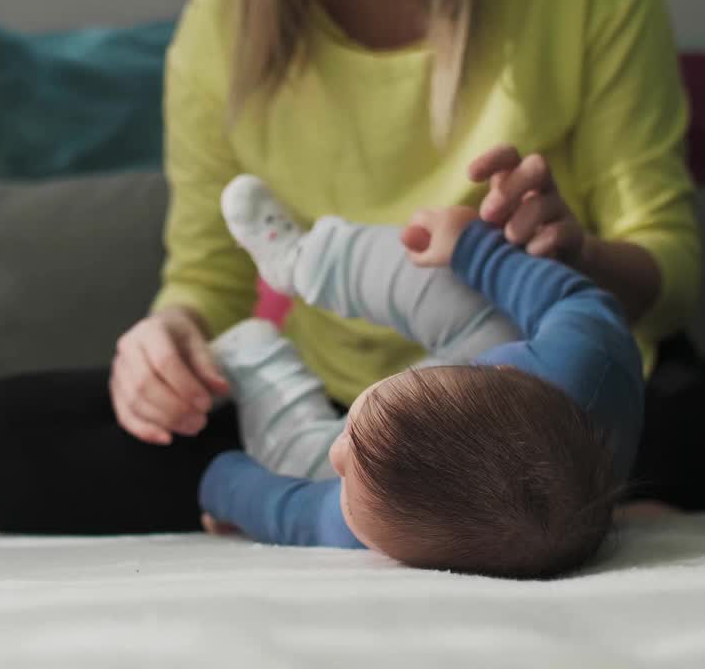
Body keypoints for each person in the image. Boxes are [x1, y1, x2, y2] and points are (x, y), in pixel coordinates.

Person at [0, 0, 700, 534]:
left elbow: (667, 262)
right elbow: (209, 277)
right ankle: (449, 501)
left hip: (550, 393)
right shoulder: (218, 26)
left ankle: (360, 500)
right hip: (341, 417)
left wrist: (569, 260)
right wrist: (167, 335)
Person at [197, 175, 639, 578]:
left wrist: (220, 482)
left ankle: (254, 359)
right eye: (354, 431)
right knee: (462, 282)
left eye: (351, 500)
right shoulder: (586, 355)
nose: (338, 455)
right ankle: (308, 259)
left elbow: (288, 510)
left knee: (304, 468)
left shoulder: (379, 522)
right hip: (499, 337)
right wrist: (475, 249)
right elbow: (570, 293)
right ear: (500, 371)